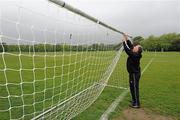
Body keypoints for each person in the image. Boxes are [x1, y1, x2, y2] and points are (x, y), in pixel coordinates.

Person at [122, 33, 143, 108]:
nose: (134, 47)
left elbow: (127, 50)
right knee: (132, 87)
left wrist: (124, 41)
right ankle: (134, 100)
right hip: (133, 73)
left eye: (135, 47)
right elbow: (130, 46)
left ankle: (136, 104)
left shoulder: (135, 55)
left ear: (137, 51)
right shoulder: (135, 53)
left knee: (134, 88)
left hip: (134, 74)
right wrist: (126, 38)